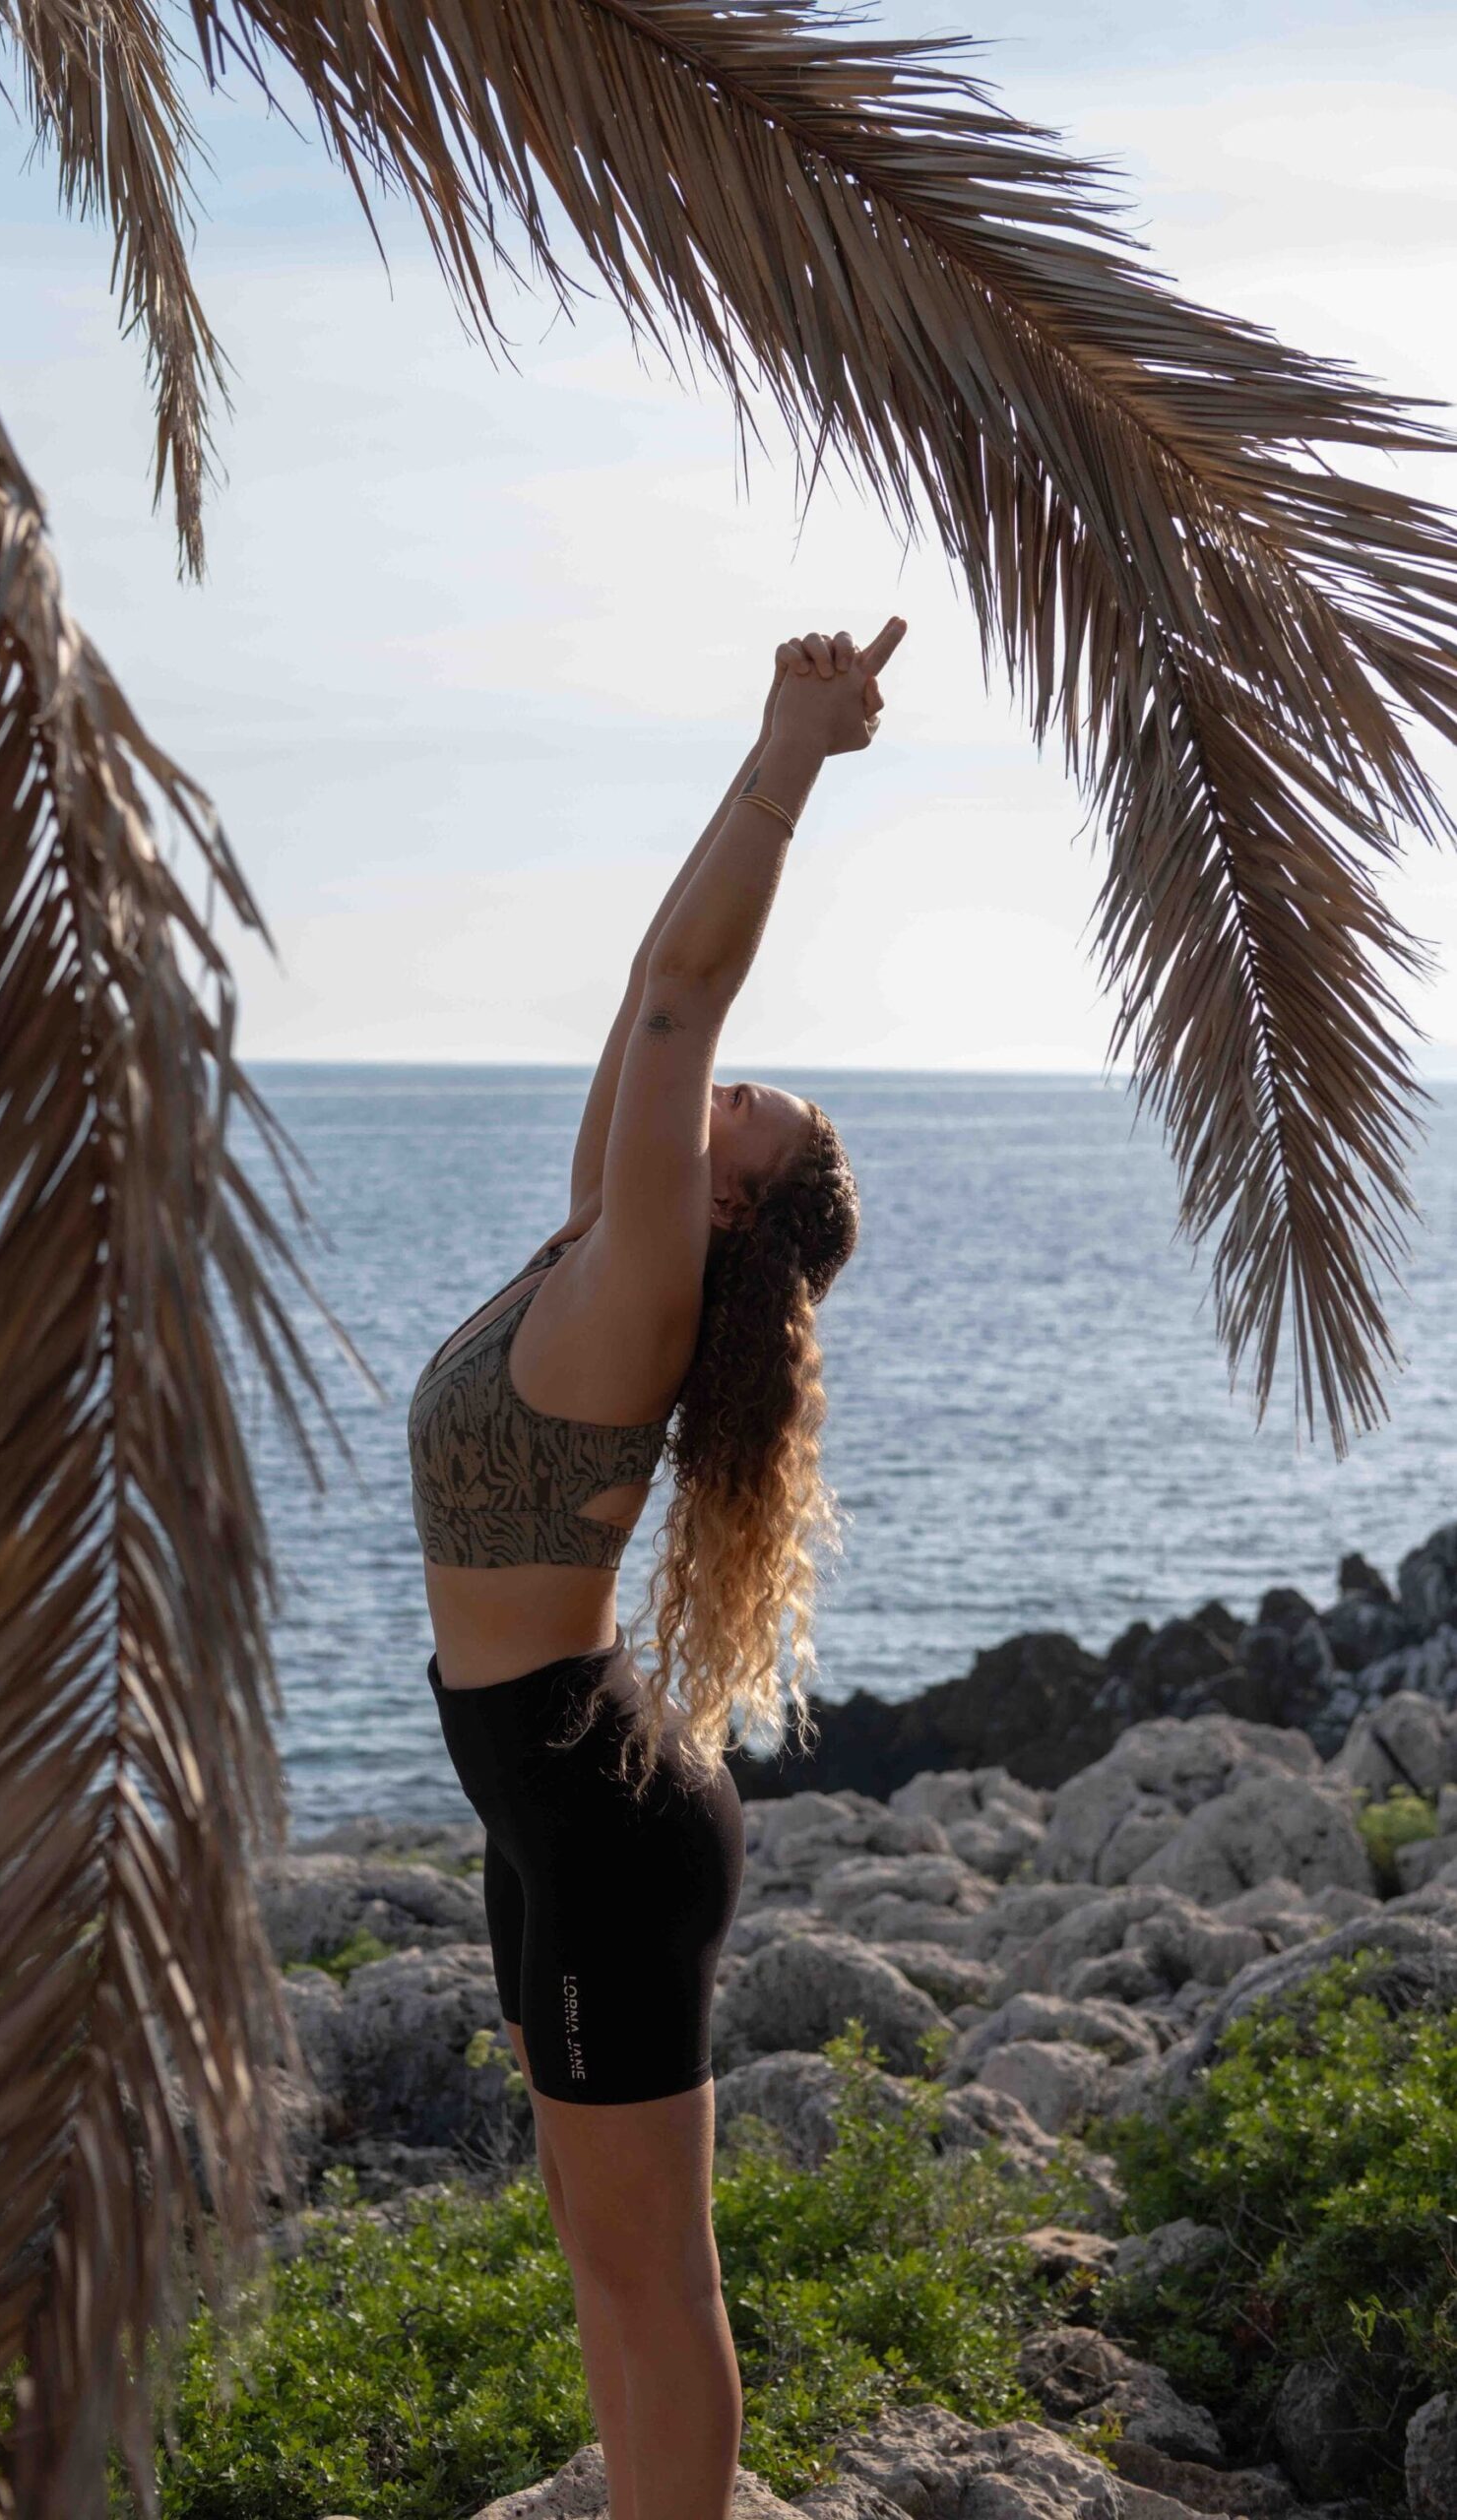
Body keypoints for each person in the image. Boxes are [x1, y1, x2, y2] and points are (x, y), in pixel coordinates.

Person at [407, 616, 903, 2519]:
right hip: (534, 1793)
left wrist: (792, 759)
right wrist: (756, 758)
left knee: (652, 2276)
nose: (705, 1082)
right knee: (598, 2272)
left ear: (731, 1204)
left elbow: (685, 985)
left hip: (599, 1818)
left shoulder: (640, 1288)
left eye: (735, 1108)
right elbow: (652, 991)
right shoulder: (601, 1243)